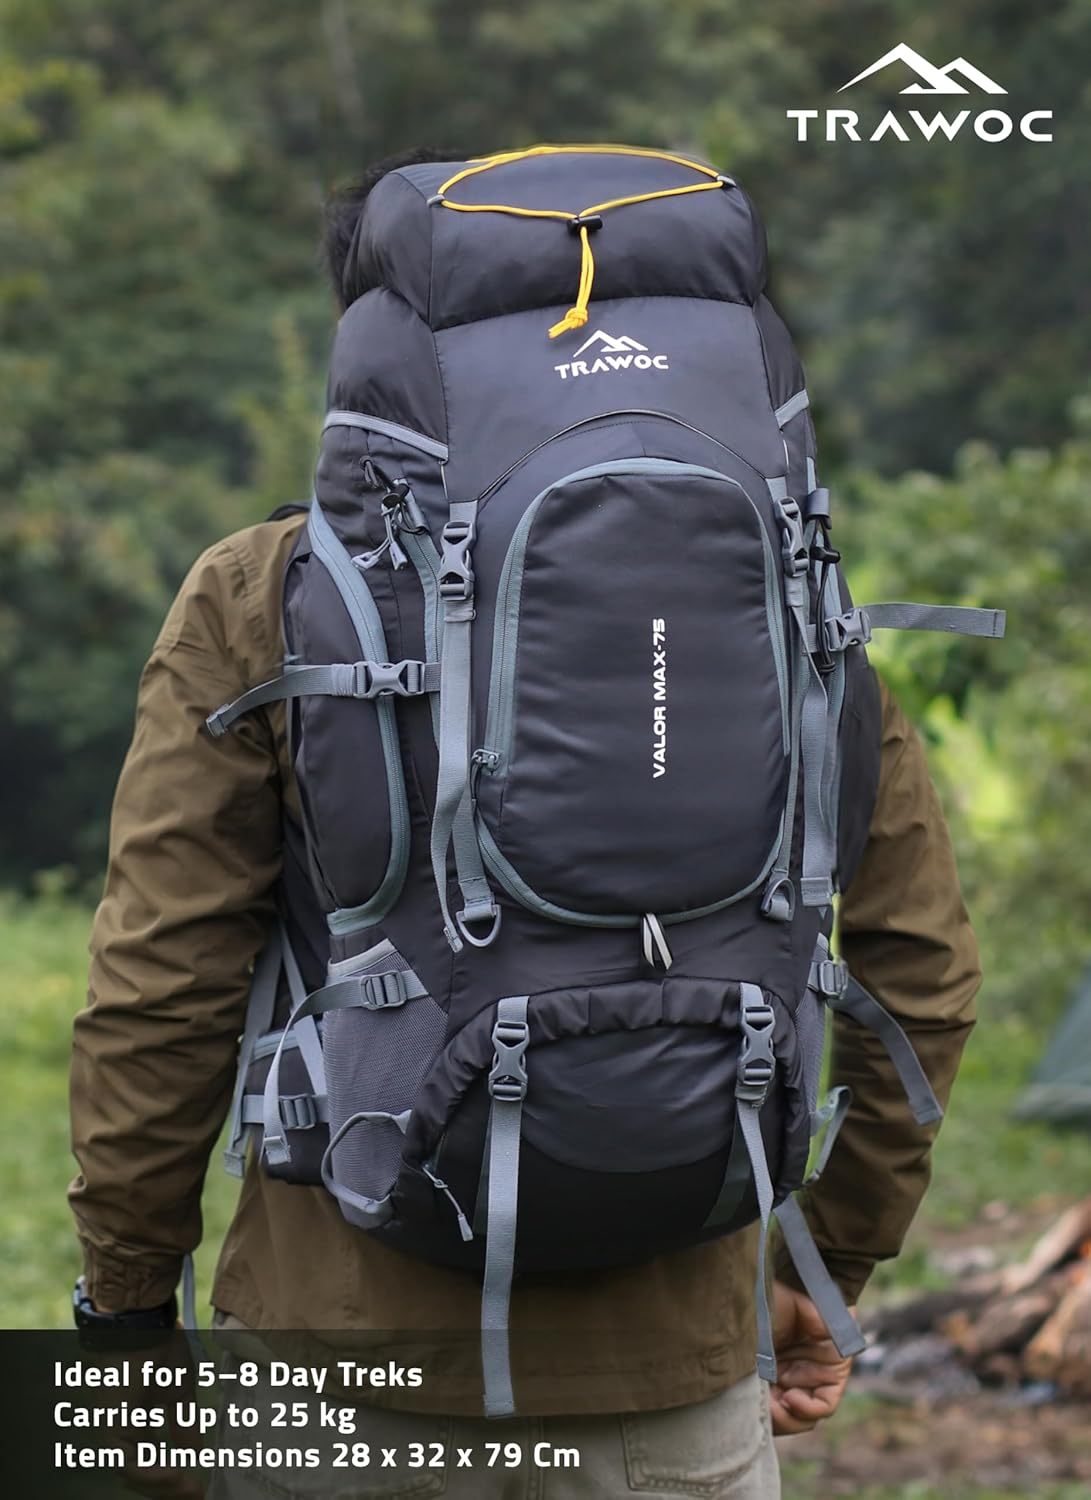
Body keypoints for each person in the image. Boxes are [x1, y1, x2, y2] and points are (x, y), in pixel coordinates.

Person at [68, 147, 981, 1499]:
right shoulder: (779, 593)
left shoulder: (265, 594)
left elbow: (161, 988)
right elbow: (923, 964)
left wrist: (130, 1308)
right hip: (672, 1386)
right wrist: (827, 1261)